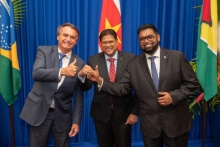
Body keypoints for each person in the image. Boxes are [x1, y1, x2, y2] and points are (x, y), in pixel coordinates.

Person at [87, 24, 200, 147]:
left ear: (158, 37)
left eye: (150, 37)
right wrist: (99, 80)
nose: (146, 41)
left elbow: (192, 83)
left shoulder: (176, 57)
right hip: (150, 126)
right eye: (142, 39)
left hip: (176, 123)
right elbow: (122, 89)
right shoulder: (133, 64)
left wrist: (174, 96)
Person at [20, 23, 88, 147]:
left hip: (63, 115)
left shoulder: (80, 63)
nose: (68, 39)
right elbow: (37, 73)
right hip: (39, 111)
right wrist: (62, 71)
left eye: (72, 37)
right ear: (58, 36)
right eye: (65, 35)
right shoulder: (44, 51)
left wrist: (76, 122)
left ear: (76, 41)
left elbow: (79, 97)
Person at [79, 29, 138, 147]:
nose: (108, 45)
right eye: (104, 42)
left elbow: (137, 88)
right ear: (101, 44)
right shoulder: (93, 59)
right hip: (101, 114)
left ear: (117, 41)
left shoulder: (130, 58)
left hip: (124, 113)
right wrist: (81, 77)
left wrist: (134, 112)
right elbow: (86, 87)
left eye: (111, 41)